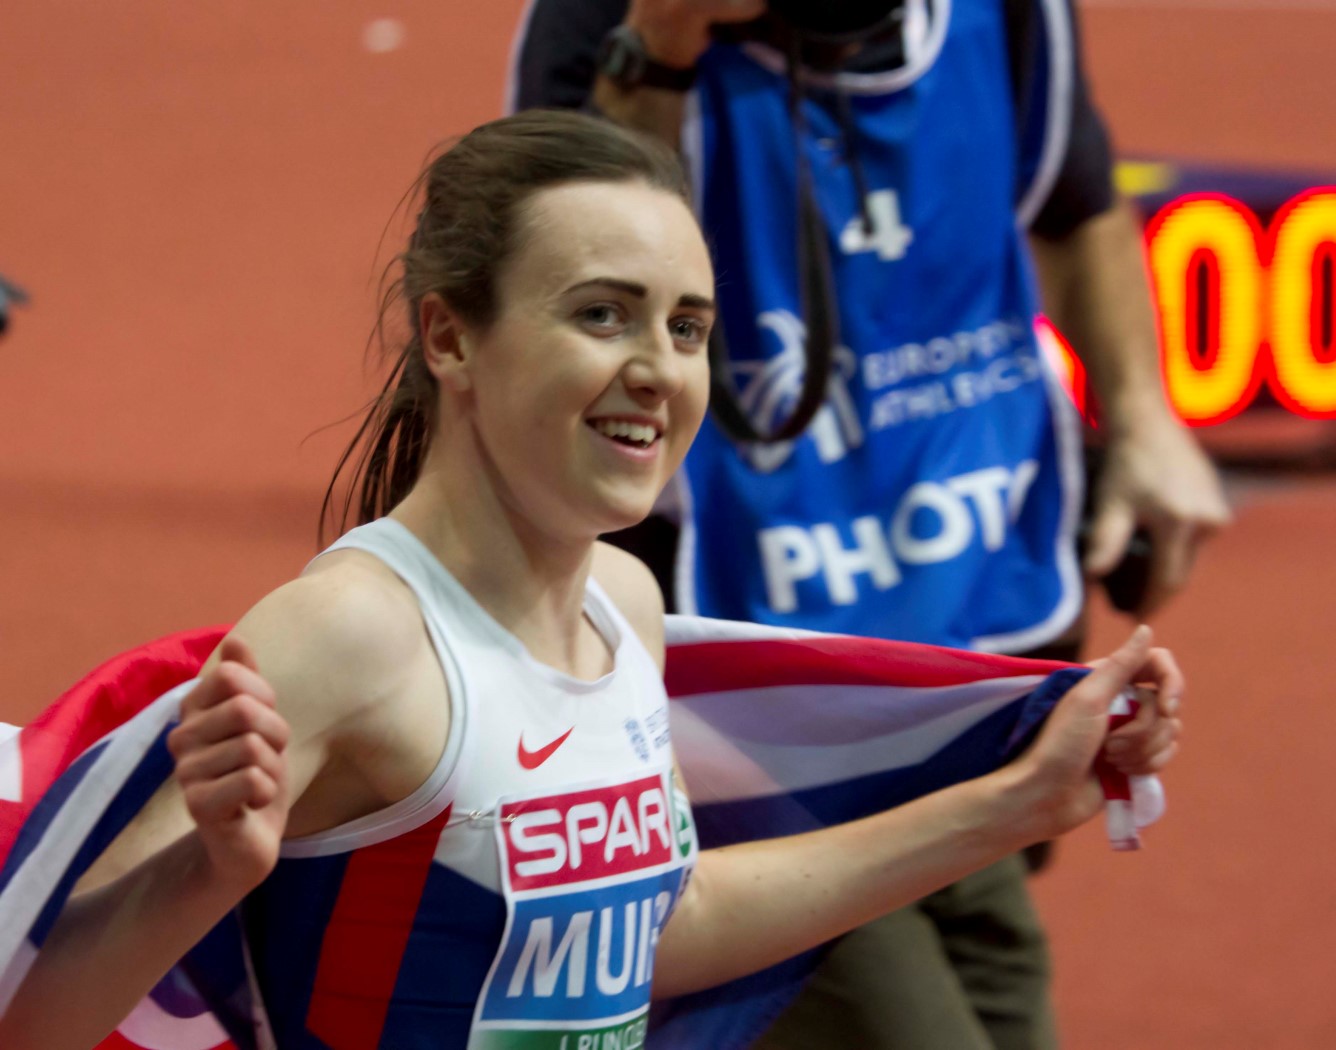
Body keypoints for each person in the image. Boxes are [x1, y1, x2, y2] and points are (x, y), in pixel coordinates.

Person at [0, 109, 1182, 1050]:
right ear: (450, 338)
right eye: (601, 315)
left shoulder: (625, 608)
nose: (656, 372)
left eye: (685, 326)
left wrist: (1022, 800)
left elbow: (656, 931)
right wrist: (213, 869)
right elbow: (35, 1019)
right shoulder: (348, 634)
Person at [510, 3, 1228, 1047]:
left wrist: (1147, 415)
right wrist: (660, 47)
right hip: (744, 689)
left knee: (1002, 998)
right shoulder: (603, 21)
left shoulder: (1008, 16)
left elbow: (1072, 204)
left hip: (966, 631)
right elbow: (566, 275)